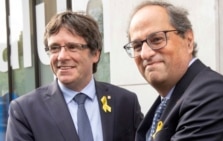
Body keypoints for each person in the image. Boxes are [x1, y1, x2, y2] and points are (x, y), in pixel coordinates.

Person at [6, 11, 143, 141]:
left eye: (72, 47)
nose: (62, 56)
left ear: (95, 54)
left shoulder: (125, 102)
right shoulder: (25, 110)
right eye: (54, 48)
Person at [123, 1, 223, 141]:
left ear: (188, 40)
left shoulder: (214, 96)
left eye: (157, 39)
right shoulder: (169, 101)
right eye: (137, 46)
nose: (145, 54)